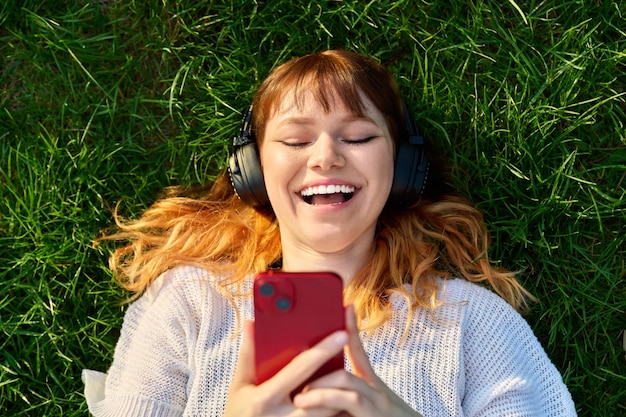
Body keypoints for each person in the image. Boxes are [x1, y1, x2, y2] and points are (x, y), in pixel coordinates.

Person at [82, 50, 577, 416]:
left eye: (358, 136)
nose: (325, 156)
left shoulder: (473, 323)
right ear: (251, 171)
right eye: (296, 139)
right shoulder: (190, 304)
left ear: (403, 168)